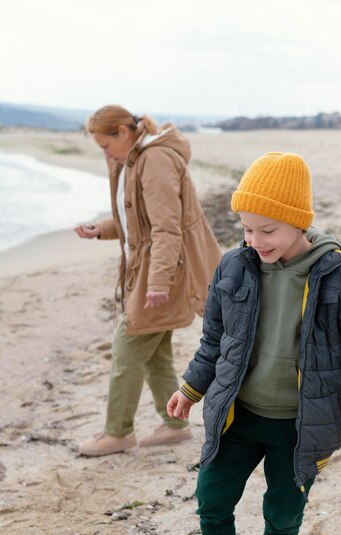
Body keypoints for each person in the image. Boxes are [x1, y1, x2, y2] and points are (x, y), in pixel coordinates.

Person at [162, 152, 341, 535]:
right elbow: (215, 339)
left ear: (297, 222)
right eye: (247, 229)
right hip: (237, 413)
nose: (254, 241)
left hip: (300, 424)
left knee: (284, 511)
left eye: (267, 230)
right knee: (211, 498)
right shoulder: (235, 267)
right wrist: (191, 388)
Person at [74, 105, 221, 457]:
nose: (105, 153)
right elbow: (136, 224)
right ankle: (174, 425)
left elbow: (166, 228)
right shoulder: (135, 160)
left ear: (124, 133)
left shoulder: (154, 160)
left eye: (106, 145)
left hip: (168, 269)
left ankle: (118, 433)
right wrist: (102, 230)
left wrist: (159, 282)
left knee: (127, 346)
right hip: (155, 267)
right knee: (155, 352)